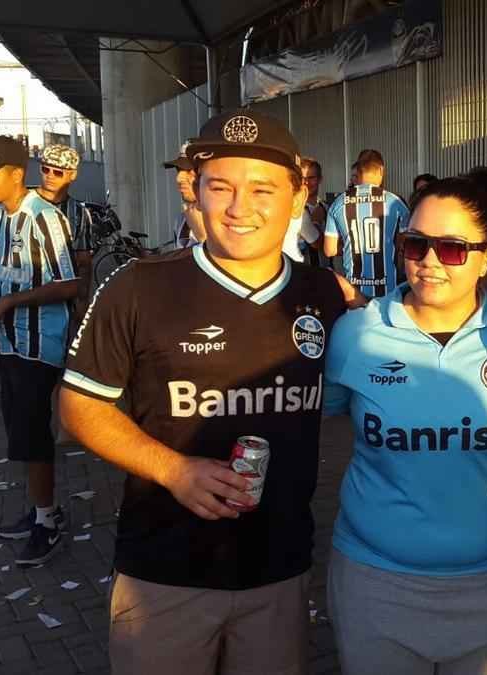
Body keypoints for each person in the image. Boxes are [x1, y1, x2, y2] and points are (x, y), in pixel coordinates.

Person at [59, 109, 359, 674]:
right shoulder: (138, 286)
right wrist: (174, 470)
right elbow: (78, 405)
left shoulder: (323, 295)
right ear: (195, 192)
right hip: (163, 575)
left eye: (263, 190)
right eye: (220, 187)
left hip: (281, 570)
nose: (240, 208)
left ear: (298, 198)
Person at [324, 178, 487, 675]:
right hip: (375, 583)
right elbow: (307, 421)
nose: (429, 260)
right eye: (415, 243)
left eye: (452, 249)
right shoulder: (356, 334)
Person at [0, 136, 78, 566]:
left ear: (16, 174)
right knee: (19, 428)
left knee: (31, 430)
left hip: (38, 344)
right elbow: (2, 264)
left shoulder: (46, 219)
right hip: (8, 340)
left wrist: (8, 303)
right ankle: (40, 509)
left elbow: (70, 284)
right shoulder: (0, 216)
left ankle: (48, 522)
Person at [325, 148, 411, 298]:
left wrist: (350, 245)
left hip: (353, 291)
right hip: (388, 289)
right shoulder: (396, 202)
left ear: (358, 171)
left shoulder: (338, 203)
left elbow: (329, 250)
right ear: (381, 170)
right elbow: (405, 245)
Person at [36, 143, 96, 308]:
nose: (50, 176)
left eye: (58, 172)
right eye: (45, 169)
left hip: (63, 301)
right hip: (22, 300)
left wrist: (83, 302)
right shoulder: (23, 204)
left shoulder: (78, 213)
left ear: (72, 175)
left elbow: (84, 263)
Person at [283, 157, 330, 266]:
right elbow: (317, 243)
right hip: (302, 272)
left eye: (311, 177)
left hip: (325, 271)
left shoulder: (328, 208)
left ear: (320, 179)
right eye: (303, 178)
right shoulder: (293, 209)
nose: (307, 182)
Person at [163, 144, 206, 248]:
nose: (179, 178)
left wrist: (202, 234)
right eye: (178, 170)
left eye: (189, 171)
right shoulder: (181, 220)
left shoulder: (230, 219)